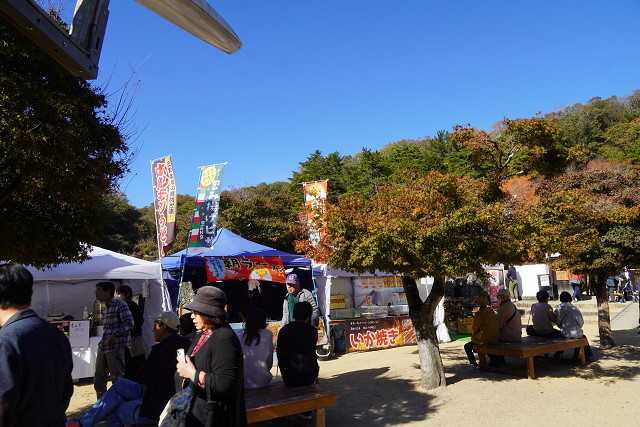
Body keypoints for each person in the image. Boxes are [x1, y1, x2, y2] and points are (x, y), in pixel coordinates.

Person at [69, 311, 191, 426]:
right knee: (120, 384)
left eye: (155, 326)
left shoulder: (161, 349)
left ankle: (83, 423)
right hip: (167, 394)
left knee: (116, 412)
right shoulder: (186, 344)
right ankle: (83, 423)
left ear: (163, 327)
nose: (153, 330)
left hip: (159, 403)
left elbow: (142, 377)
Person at [0, 263, 74, 427]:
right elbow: (67, 392)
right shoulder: (56, 334)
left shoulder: (5, 341)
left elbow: (4, 410)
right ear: (31, 293)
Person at [176, 286, 247, 426]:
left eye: (196, 312)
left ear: (208, 313)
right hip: (200, 413)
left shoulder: (224, 338)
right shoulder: (205, 334)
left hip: (216, 417)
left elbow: (225, 383)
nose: (192, 316)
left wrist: (193, 374)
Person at [94, 281, 134, 398]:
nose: (96, 293)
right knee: (99, 380)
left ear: (108, 291)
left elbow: (129, 323)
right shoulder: (105, 307)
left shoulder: (120, 304)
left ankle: (118, 405)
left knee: (117, 380)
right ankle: (102, 405)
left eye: (99, 290)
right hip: (104, 346)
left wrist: (115, 335)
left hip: (116, 347)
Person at [277, 301, 320, 386]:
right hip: (308, 377)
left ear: (293, 314)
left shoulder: (284, 330)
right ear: (308, 316)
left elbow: (279, 354)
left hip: (288, 377)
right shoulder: (312, 331)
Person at [237, 307, 274, 389]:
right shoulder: (267, 334)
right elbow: (269, 363)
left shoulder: (239, 334)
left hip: (242, 381)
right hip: (262, 381)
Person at [115, 285, 145, 380]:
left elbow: (136, 322)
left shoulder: (131, 306)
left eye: (119, 293)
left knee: (132, 365)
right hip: (127, 340)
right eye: (116, 293)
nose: (117, 296)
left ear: (127, 294)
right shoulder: (122, 306)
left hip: (132, 340)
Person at [464, 291, 499, 371]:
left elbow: (475, 328)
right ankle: (494, 361)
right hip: (494, 337)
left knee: (467, 346)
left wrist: (473, 336)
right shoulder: (492, 311)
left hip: (483, 339)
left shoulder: (479, 314)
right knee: (484, 345)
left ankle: (474, 364)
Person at [554, 291, 592, 361]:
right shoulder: (574, 309)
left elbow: (557, 322)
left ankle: (560, 353)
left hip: (564, 333)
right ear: (570, 299)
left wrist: (562, 327)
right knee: (583, 337)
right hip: (575, 333)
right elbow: (580, 322)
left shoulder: (558, 310)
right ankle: (585, 356)